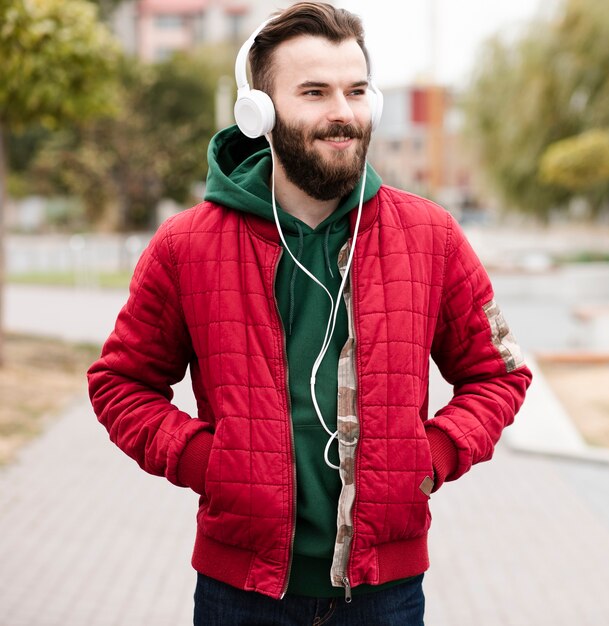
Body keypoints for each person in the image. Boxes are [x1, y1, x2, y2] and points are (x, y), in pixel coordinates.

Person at [87, 3, 532, 624]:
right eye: (315, 92)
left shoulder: (432, 236)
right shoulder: (185, 246)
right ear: (258, 113)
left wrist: (431, 456)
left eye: (355, 91)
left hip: (388, 593)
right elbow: (120, 385)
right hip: (239, 593)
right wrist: (204, 462)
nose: (343, 113)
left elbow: (499, 374)